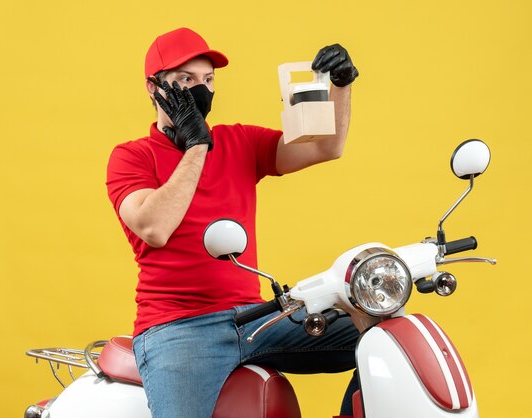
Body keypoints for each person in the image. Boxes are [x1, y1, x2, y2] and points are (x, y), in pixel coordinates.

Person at [106, 27, 360, 418]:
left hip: (255, 318)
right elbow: (154, 227)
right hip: (178, 329)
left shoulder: (240, 142)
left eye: (208, 80)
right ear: (153, 87)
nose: (201, 90)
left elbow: (327, 146)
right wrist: (196, 146)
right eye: (186, 80)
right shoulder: (131, 157)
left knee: (381, 337)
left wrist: (340, 86)